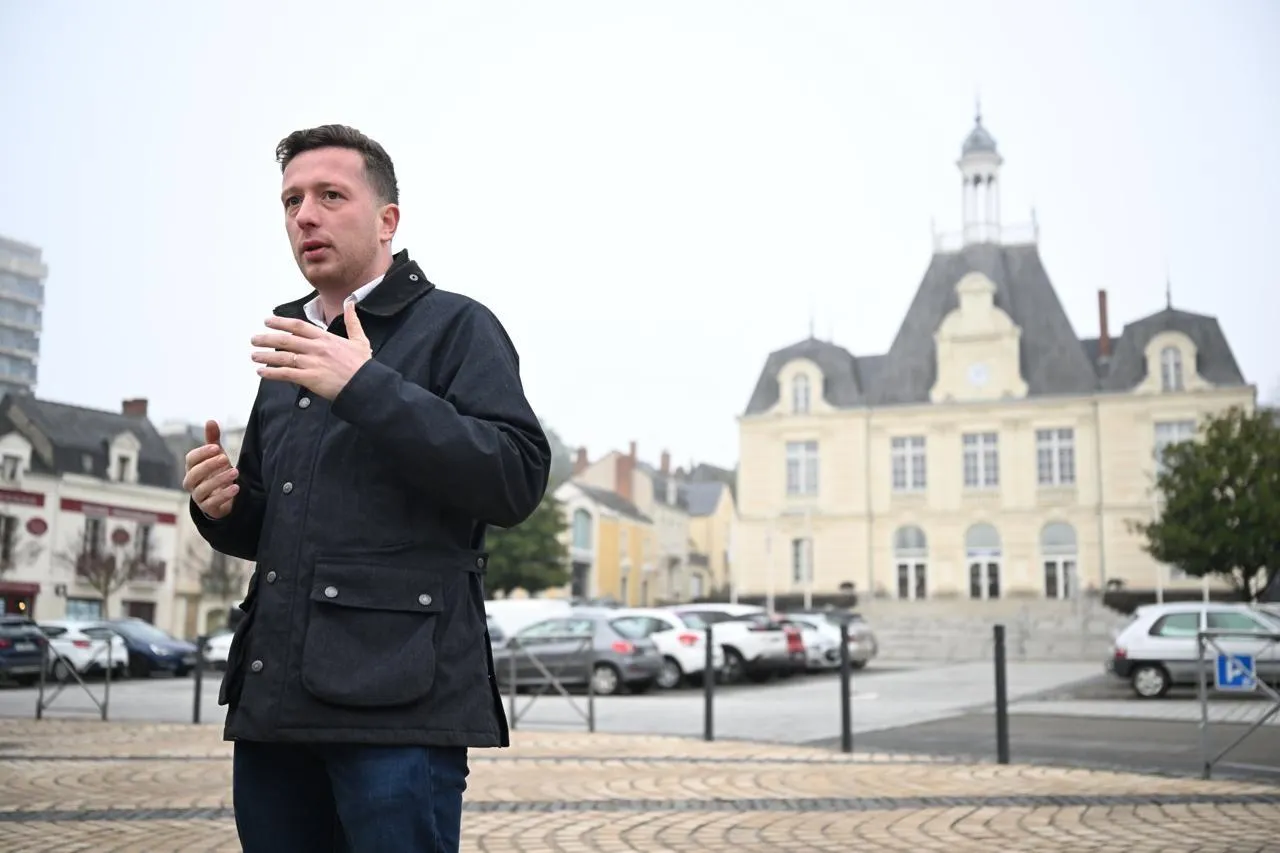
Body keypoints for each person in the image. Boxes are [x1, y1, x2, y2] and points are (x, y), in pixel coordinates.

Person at [182, 123, 551, 853]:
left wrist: (364, 385)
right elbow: (278, 527)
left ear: (388, 220)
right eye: (291, 201)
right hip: (275, 701)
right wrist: (223, 507)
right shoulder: (291, 342)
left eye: (330, 195)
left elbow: (514, 478)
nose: (305, 216)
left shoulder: (457, 326)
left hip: (398, 708)